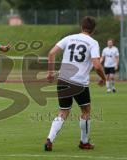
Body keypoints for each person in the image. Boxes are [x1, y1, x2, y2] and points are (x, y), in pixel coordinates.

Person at [45, 16, 106, 151]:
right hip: (79, 83)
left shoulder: (69, 38)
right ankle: (84, 142)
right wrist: (104, 78)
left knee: (63, 111)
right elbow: (96, 65)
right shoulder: (93, 42)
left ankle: (49, 139)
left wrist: (50, 73)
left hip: (63, 80)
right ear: (93, 30)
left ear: (81, 27)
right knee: (85, 111)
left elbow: (51, 53)